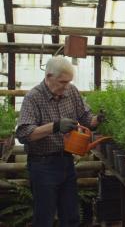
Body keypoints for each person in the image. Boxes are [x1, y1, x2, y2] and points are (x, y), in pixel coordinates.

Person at [16, 56, 104, 227]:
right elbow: (24, 133)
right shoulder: (33, 98)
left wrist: (97, 119)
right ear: (49, 77)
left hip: (66, 162)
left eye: (69, 82)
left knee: (71, 216)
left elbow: (85, 118)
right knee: (45, 217)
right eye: (63, 82)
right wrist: (55, 126)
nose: (66, 87)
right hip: (42, 165)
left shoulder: (71, 91)